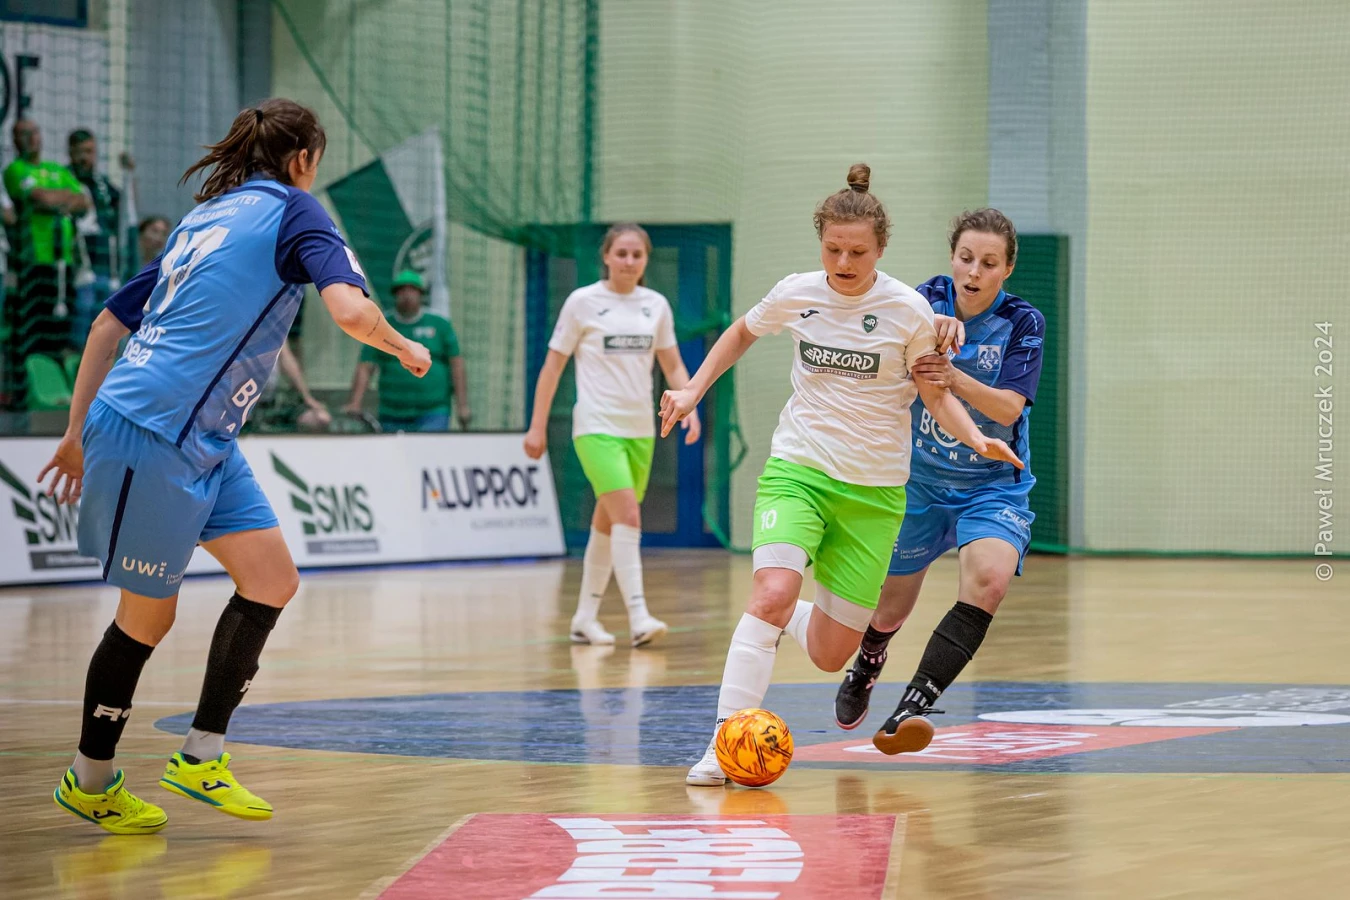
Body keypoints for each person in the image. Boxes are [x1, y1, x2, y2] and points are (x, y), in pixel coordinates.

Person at [37, 98, 431, 834]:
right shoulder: (297, 211)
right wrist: (405, 346)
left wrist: (72, 431)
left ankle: (201, 756)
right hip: (152, 430)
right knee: (147, 617)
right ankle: (89, 781)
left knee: (272, 579)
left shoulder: (205, 218)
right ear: (304, 159)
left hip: (207, 438)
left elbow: (106, 323)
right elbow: (351, 312)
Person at [659, 165, 1022, 787]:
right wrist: (693, 388)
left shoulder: (908, 311)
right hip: (798, 468)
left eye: (857, 252)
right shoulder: (797, 292)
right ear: (820, 242)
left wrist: (975, 437)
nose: (843, 262)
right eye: (832, 249)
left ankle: (783, 615)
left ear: (881, 250)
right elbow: (742, 331)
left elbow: (934, 395)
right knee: (771, 591)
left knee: (831, 654)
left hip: (873, 494)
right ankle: (723, 744)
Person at [834, 208, 1044, 754]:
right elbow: (902, 338)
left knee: (990, 581)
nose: (974, 271)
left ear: (1007, 269)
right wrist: (931, 330)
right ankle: (868, 661)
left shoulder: (1023, 322)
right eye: (966, 258)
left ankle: (913, 707)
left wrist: (954, 375)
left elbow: (1007, 407)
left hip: (992, 483)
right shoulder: (924, 299)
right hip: (920, 482)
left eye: (989, 263)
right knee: (890, 608)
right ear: (952, 257)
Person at [523, 223, 700, 648]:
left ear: (646, 259)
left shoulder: (655, 305)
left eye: (637, 254)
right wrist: (537, 426)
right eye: (621, 253)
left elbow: (673, 364)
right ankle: (638, 616)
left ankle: (584, 618)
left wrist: (689, 405)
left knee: (608, 522)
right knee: (629, 517)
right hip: (596, 427)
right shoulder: (582, 302)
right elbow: (552, 368)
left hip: (640, 430)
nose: (629, 261)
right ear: (606, 256)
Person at [3, 119, 90, 370]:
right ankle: (27, 381)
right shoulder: (15, 170)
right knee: (33, 326)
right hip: (33, 262)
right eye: (23, 134)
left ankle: (54, 377)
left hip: (63, 262)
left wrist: (54, 200)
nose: (31, 138)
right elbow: (39, 198)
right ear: (15, 140)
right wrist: (63, 198)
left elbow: (83, 201)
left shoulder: (57, 170)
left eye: (34, 132)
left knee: (60, 326)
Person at [343, 269, 470, 431]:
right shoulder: (380, 326)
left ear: (421, 294)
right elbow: (366, 367)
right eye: (401, 290)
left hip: (433, 411)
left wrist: (462, 406)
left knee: (429, 447)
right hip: (391, 413)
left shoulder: (440, 325)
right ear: (395, 295)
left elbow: (456, 365)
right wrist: (355, 402)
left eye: (412, 290)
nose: (407, 295)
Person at [67, 129, 130, 350]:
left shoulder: (102, 185)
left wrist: (128, 175)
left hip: (105, 263)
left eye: (90, 151)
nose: (85, 157)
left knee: (107, 316)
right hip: (78, 263)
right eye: (81, 152)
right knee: (82, 312)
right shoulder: (65, 179)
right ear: (71, 152)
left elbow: (126, 207)